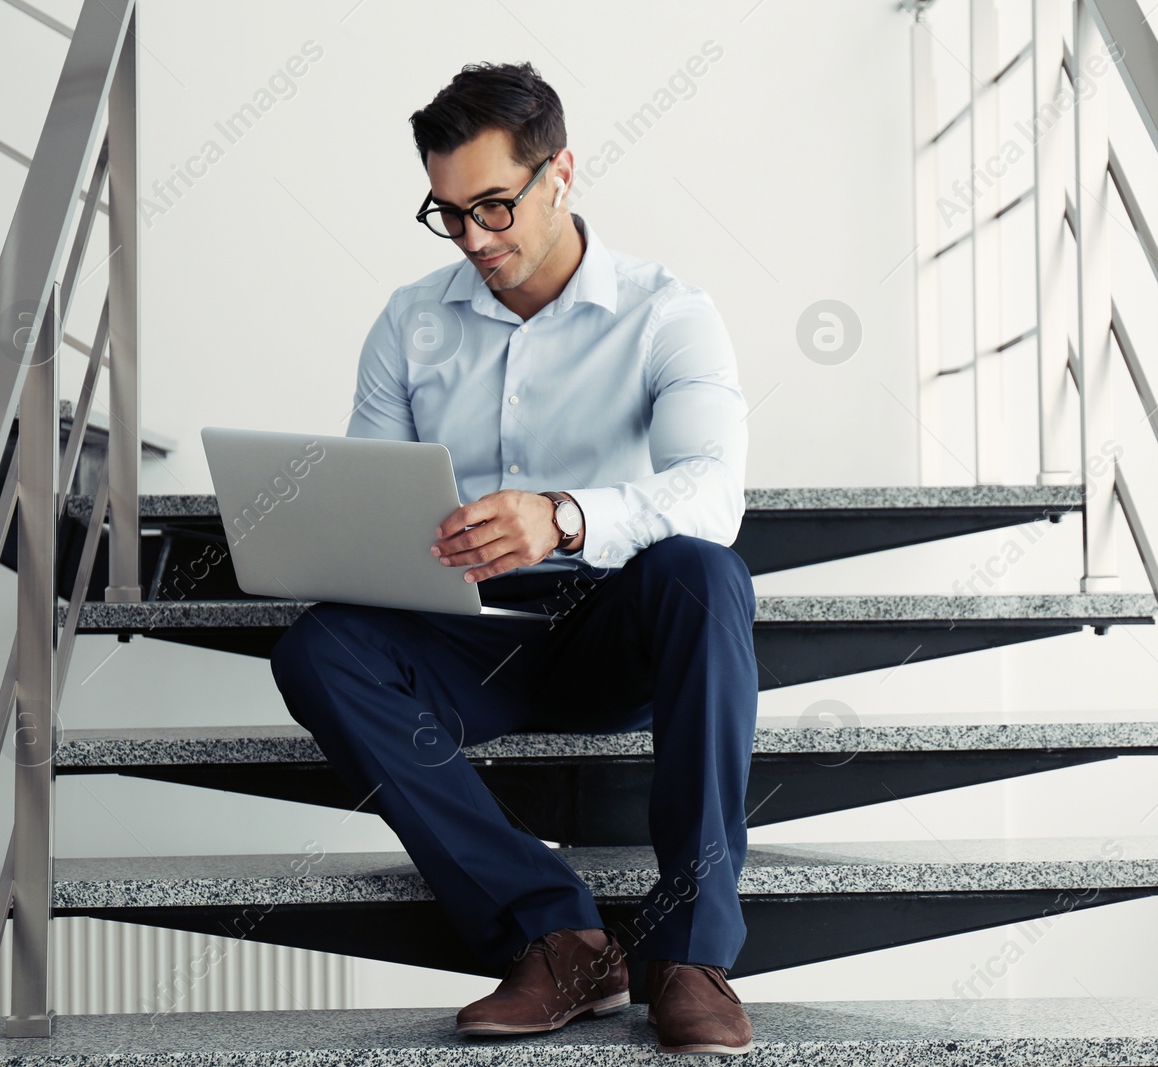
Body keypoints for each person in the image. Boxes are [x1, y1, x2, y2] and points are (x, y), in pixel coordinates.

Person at [268, 60, 757, 1056]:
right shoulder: (409, 322)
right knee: (318, 647)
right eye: (448, 214)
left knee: (706, 574)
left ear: (561, 173)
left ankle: (689, 950)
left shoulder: (668, 312)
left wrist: (564, 517)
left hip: (609, 627)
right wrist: (364, 539)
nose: (476, 239)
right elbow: (369, 496)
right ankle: (557, 933)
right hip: (462, 632)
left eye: (495, 205)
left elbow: (713, 492)